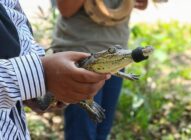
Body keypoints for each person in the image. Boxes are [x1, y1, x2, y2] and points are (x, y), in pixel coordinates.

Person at [0, 1, 110, 139]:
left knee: (102, 130)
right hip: (80, 48)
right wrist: (39, 74)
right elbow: (66, 9)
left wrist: (34, 83)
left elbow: (14, 21)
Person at [52, 0, 148, 140]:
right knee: (81, 134)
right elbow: (66, 9)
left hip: (117, 56)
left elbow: (141, 4)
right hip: (80, 57)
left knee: (103, 130)